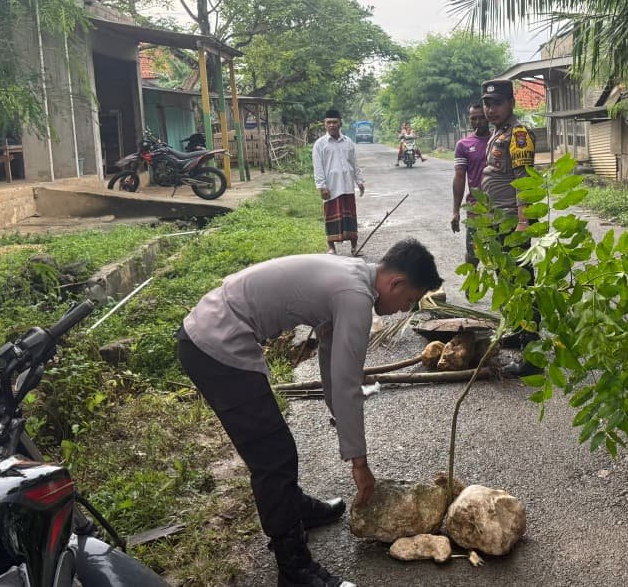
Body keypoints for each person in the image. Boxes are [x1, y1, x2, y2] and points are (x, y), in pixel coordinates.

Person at [176, 240, 443, 587]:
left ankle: (292, 508)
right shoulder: (355, 295)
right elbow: (348, 382)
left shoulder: (352, 275)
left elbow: (334, 365)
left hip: (213, 329)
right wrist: (359, 464)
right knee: (273, 457)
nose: (402, 310)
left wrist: (342, 424)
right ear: (395, 283)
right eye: (408, 301)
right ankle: (294, 568)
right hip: (215, 342)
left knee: (274, 446)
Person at [478, 79, 539, 376]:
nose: (491, 109)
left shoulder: (518, 134)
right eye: (487, 104)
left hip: (514, 223)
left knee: (523, 285)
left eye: (497, 103)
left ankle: (533, 357)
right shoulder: (498, 133)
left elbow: (524, 181)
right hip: (499, 221)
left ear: (511, 104)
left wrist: (524, 223)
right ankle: (519, 332)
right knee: (509, 282)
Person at [312, 109, 364, 254]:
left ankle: (354, 246)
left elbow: (354, 164)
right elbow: (318, 167)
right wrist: (322, 186)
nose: (332, 125)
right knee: (330, 216)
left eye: (335, 122)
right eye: (329, 122)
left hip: (347, 186)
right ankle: (331, 248)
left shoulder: (348, 142)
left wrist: (359, 181)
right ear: (325, 124)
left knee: (350, 217)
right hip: (331, 187)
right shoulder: (320, 144)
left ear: (340, 123)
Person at [450, 102, 491, 266]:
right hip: (476, 209)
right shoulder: (463, 145)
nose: (478, 122)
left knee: (501, 257)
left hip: (501, 207)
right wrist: (455, 211)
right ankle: (471, 289)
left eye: (481, 118)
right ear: (469, 120)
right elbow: (459, 177)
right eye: (474, 118)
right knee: (473, 254)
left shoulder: (500, 140)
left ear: (487, 117)